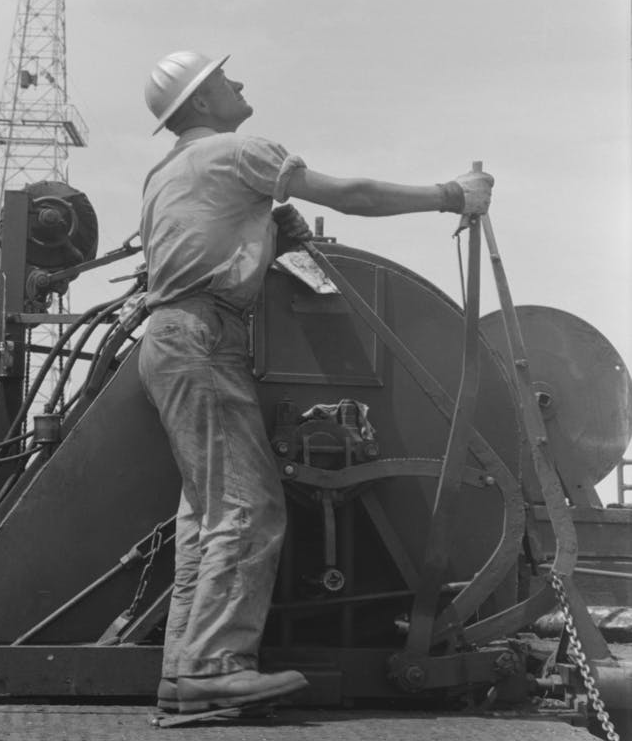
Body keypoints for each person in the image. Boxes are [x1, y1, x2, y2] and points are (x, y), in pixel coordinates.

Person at [137, 50, 493, 715]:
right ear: (201, 102)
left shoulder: (166, 173)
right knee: (249, 508)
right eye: (223, 79)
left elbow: (208, 239)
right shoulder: (237, 154)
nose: (238, 83)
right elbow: (351, 196)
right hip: (206, 339)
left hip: (173, 341)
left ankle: (185, 670)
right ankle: (214, 668)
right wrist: (450, 196)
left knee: (208, 515)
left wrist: (273, 230)